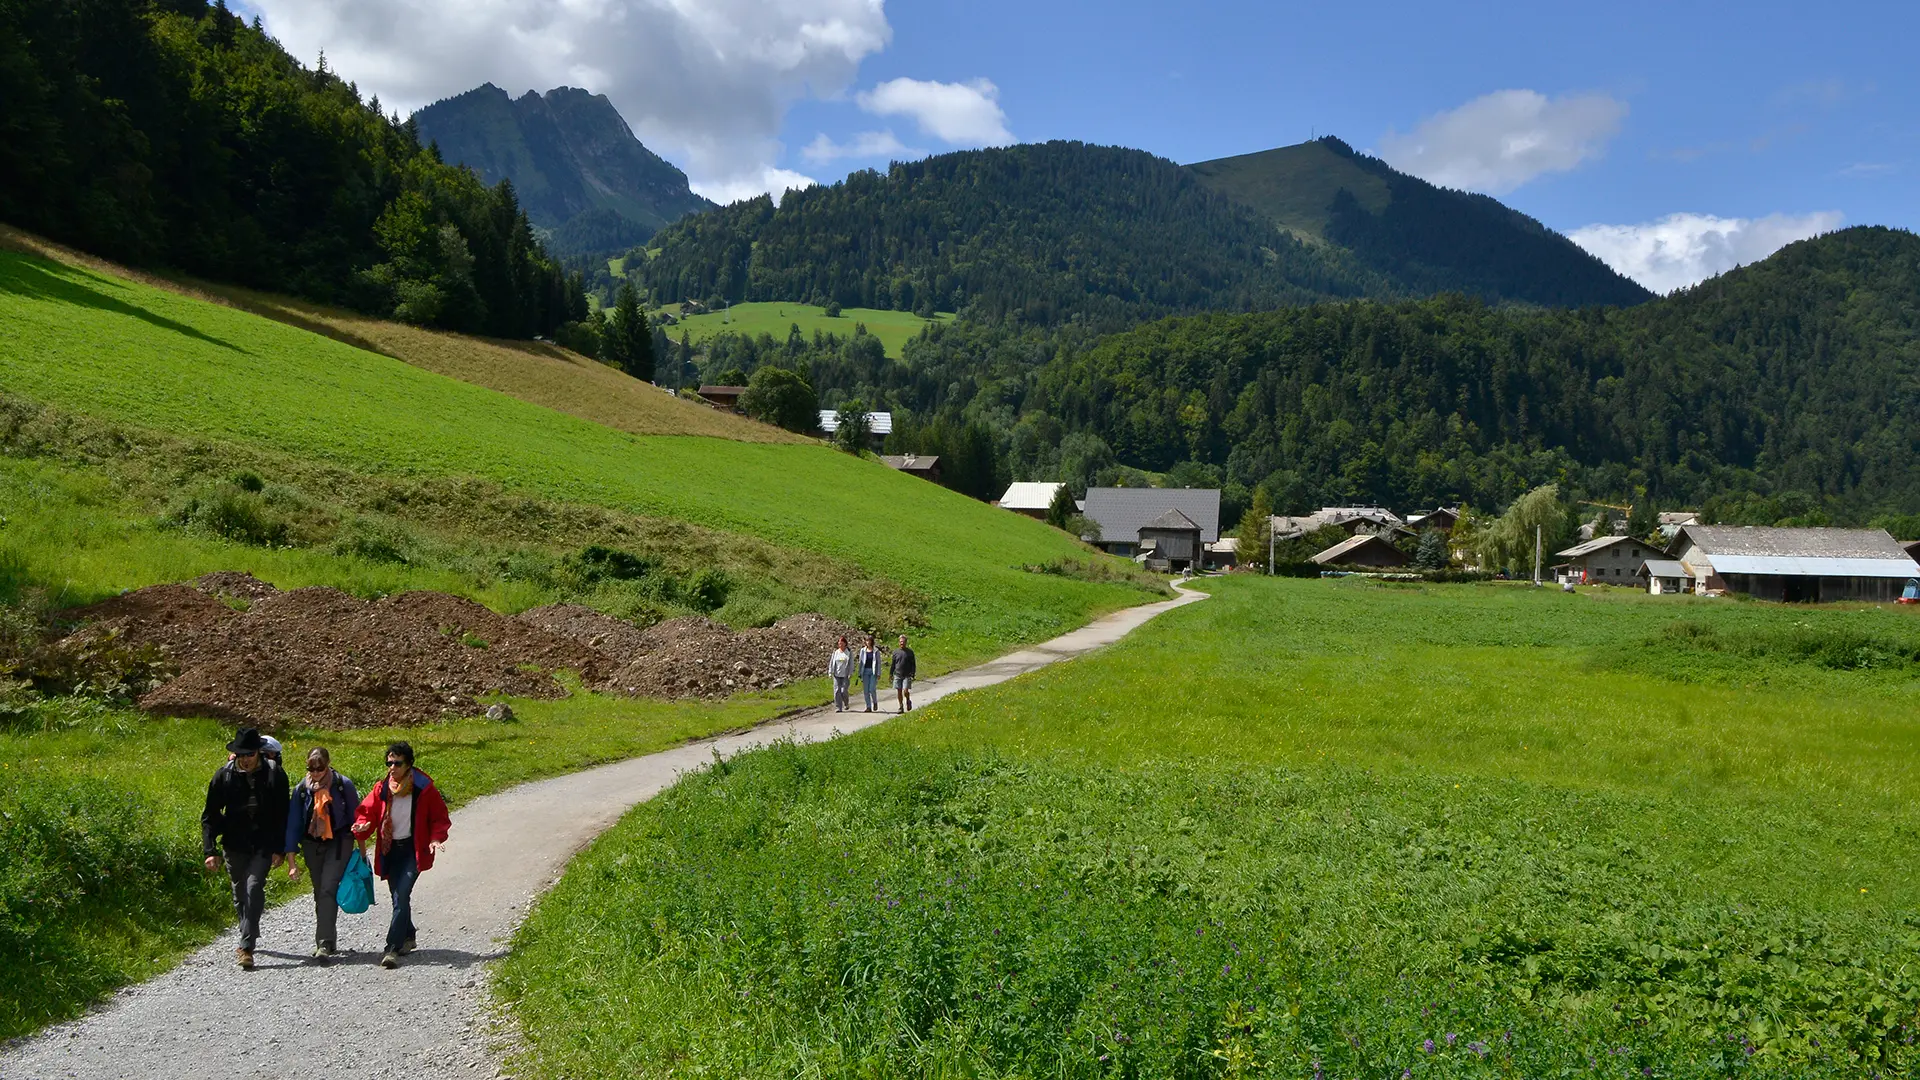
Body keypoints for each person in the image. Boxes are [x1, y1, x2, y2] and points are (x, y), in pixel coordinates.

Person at [352, 741, 451, 969]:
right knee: (399, 896)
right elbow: (367, 813)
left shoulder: (423, 789)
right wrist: (362, 825)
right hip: (390, 850)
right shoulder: (382, 789)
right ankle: (409, 935)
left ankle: (392, 949)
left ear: (409, 764)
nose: (392, 767)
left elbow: (439, 817)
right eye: (389, 762)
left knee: (401, 896)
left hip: (412, 851)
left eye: (397, 763)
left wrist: (435, 838)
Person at [201, 727, 291, 970]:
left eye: (250, 754)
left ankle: (246, 946)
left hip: (263, 843)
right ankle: (249, 929)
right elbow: (210, 815)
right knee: (240, 893)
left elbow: (284, 814)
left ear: (259, 753)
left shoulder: (275, 775)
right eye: (241, 754)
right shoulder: (223, 777)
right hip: (234, 844)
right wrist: (210, 851)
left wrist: (281, 849)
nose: (246, 759)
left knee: (254, 887)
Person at [284, 746, 360, 963]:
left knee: (328, 888)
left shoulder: (342, 785)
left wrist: (362, 851)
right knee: (319, 891)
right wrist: (291, 860)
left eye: (320, 768)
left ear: (327, 764)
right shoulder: (301, 789)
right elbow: (293, 824)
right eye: (311, 768)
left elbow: (357, 817)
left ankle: (323, 943)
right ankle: (330, 938)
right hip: (312, 845)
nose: (316, 772)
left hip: (339, 842)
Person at [889, 633, 917, 713]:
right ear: (899, 642)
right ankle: (901, 706)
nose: (902, 643)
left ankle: (908, 700)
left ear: (906, 642)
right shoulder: (895, 652)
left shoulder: (910, 652)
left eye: (903, 642)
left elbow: (913, 664)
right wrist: (890, 674)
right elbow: (893, 664)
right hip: (897, 674)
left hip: (907, 675)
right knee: (899, 691)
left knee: (905, 691)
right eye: (900, 642)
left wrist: (913, 673)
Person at [856, 634, 882, 713]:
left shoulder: (876, 651)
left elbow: (878, 663)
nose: (868, 642)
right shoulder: (863, 650)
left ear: (872, 641)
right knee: (866, 690)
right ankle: (868, 706)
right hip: (865, 672)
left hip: (873, 672)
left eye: (869, 641)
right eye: (867, 641)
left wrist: (878, 673)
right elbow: (861, 662)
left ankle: (875, 702)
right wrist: (859, 673)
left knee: (872, 689)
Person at [827, 636, 853, 712]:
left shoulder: (848, 653)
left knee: (843, 691)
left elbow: (851, 664)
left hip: (845, 675)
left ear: (845, 644)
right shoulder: (836, 652)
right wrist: (830, 672)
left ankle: (846, 703)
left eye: (841, 643)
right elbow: (832, 662)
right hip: (836, 675)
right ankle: (838, 707)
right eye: (839, 643)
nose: (840, 644)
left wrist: (850, 673)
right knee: (837, 691)